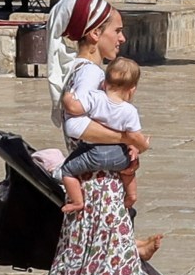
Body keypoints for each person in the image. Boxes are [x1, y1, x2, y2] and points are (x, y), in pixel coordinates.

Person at [18, 1, 163, 275]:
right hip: (97, 189)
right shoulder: (89, 73)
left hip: (100, 183)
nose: (122, 38)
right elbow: (76, 126)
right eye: (117, 30)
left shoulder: (91, 73)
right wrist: (127, 138)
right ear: (95, 34)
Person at [61, 56, 147, 217]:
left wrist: (66, 97)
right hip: (119, 154)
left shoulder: (95, 97)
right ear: (132, 89)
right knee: (129, 170)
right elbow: (133, 135)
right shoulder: (130, 111)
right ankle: (131, 195)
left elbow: (74, 108)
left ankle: (77, 201)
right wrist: (135, 148)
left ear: (105, 83)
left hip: (94, 153)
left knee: (67, 170)